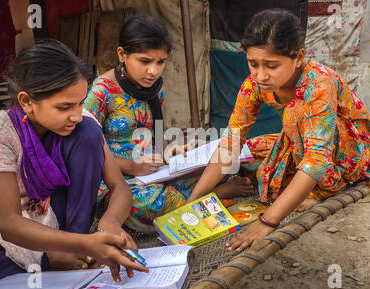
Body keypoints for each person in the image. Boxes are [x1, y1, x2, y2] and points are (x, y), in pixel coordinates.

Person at [187, 9, 370, 252]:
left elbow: (316, 159)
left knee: (295, 118)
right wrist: (193, 200)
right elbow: (231, 142)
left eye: (271, 66)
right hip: (304, 141)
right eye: (253, 64)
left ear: (299, 57)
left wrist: (268, 220)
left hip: (347, 149)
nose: (260, 74)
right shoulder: (254, 85)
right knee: (253, 150)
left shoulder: (319, 85)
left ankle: (323, 189)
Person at [0, 40, 148, 289]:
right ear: (26, 101)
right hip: (3, 229)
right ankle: (60, 257)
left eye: (80, 103)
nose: (76, 115)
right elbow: (9, 224)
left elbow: (119, 188)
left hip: (62, 223)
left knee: (88, 132)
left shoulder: (82, 126)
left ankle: (67, 254)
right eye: (64, 107)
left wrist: (109, 226)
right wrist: (87, 245)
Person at [84, 15, 254, 234]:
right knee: (145, 205)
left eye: (160, 62)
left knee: (212, 163)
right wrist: (132, 166)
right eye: (145, 61)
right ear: (122, 55)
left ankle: (196, 197)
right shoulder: (101, 93)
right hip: (115, 178)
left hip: (154, 169)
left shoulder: (155, 87)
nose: (153, 71)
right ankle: (214, 196)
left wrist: (167, 150)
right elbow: (86, 154)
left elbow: (156, 131)